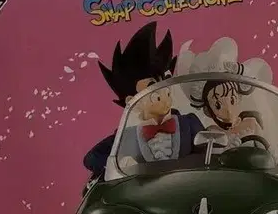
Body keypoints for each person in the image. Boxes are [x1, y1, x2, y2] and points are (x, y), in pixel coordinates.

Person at [84, 22, 204, 176]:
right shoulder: (126, 136)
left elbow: (208, 150)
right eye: (153, 85)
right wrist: (119, 164)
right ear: (131, 100)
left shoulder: (189, 123)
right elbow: (92, 158)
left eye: (164, 82)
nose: (163, 90)